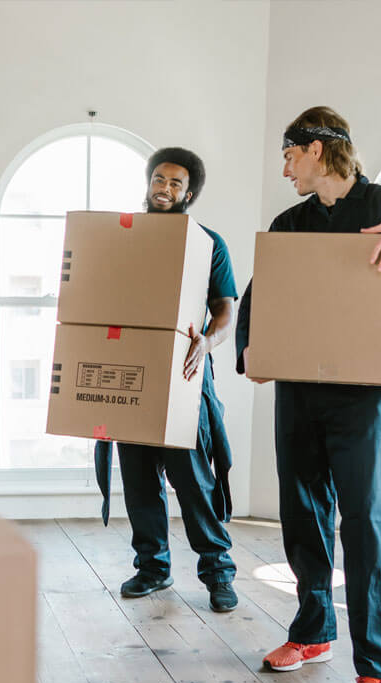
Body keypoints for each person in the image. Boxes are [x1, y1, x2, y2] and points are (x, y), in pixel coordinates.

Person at [236, 106, 381, 683]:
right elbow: (259, 290)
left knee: (366, 523)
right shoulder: (289, 222)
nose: (286, 167)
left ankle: (376, 668)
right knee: (302, 515)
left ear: (316, 149)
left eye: (290, 154)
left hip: (366, 400)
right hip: (299, 391)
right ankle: (313, 632)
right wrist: (251, 351)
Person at [95, 147, 239, 613]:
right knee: (138, 480)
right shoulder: (124, 236)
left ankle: (218, 572)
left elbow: (225, 311)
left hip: (183, 373)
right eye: (160, 179)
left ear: (188, 193)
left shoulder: (206, 242)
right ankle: (153, 568)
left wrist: (207, 343)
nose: (165, 188)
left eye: (176, 183)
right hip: (130, 372)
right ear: (148, 181)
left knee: (193, 480)